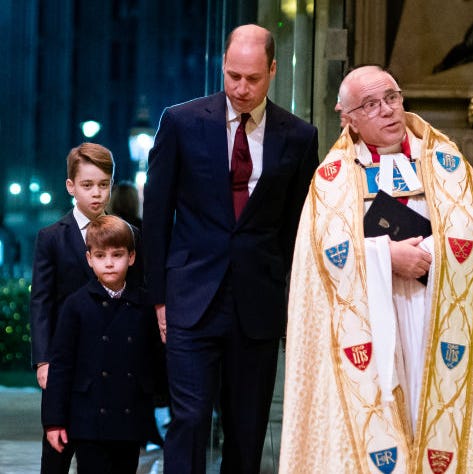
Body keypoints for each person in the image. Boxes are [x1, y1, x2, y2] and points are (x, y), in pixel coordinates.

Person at [279, 65, 473, 473]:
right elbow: (318, 261)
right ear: (346, 116)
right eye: (370, 104)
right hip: (370, 319)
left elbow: (466, 228)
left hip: (434, 310)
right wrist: (386, 258)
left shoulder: (446, 163)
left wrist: (431, 254)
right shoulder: (332, 182)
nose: (387, 110)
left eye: (392, 97)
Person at [142, 23, 318, 474]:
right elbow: (157, 218)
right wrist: (159, 299)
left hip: (257, 305)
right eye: (233, 75)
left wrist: (288, 303)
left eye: (253, 78)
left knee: (247, 430)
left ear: (273, 70)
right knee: (190, 421)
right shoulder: (180, 122)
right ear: (222, 65)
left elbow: (298, 229)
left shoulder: (299, 137)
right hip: (189, 298)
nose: (241, 88)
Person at [30, 142, 141, 473]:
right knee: (57, 452)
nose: (96, 194)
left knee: (107, 454)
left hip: (113, 361)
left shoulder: (128, 236)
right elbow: (41, 302)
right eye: (87, 185)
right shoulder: (51, 237)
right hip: (66, 360)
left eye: (103, 185)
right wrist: (43, 359)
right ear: (71, 186)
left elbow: (137, 296)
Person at [42, 215, 158, 474]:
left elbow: (154, 359)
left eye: (116, 255)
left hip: (129, 417)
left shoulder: (144, 304)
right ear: (89, 259)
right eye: (101, 256)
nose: (109, 263)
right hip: (88, 416)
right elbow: (61, 365)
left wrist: (157, 401)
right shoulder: (76, 305)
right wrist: (53, 422)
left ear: (131, 257)